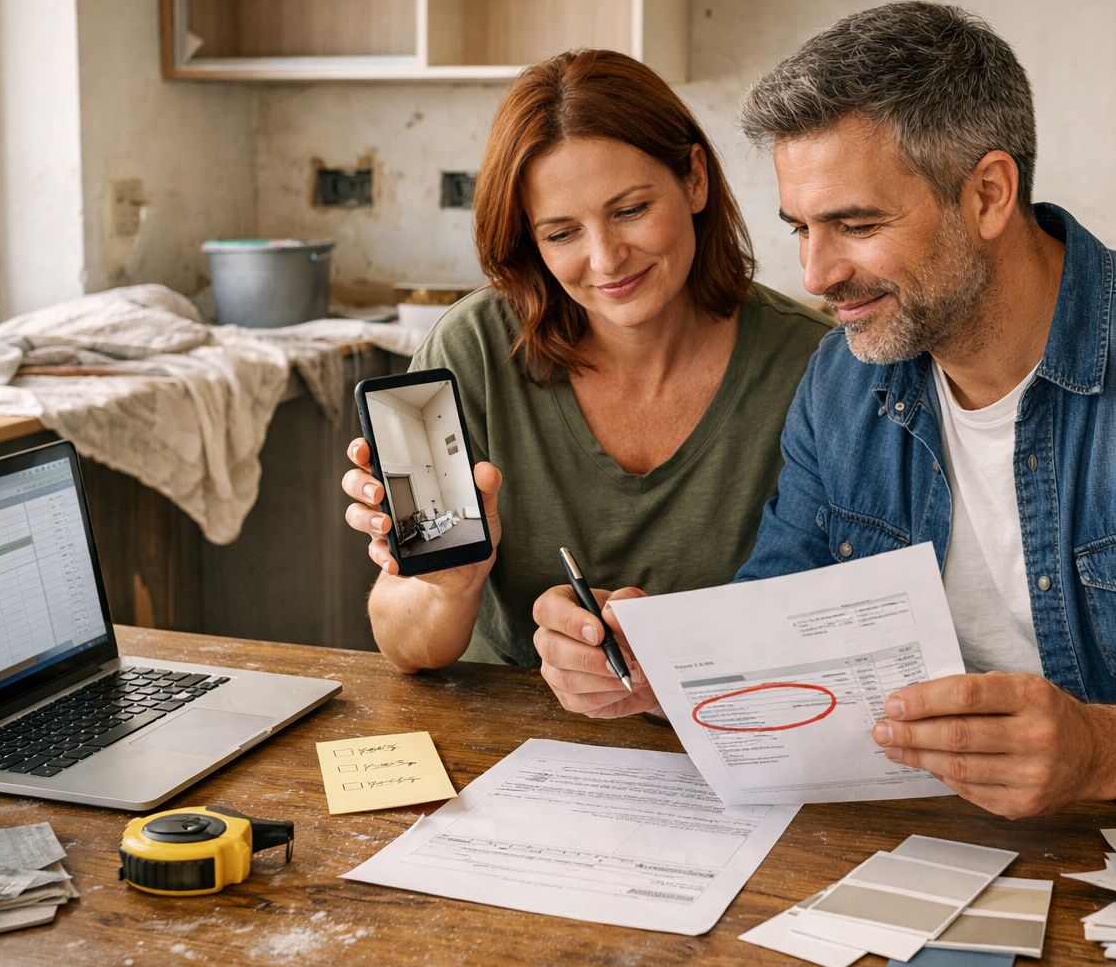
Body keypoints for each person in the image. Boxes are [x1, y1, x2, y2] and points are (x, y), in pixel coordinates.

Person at [534, 2, 1116, 816]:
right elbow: (781, 618)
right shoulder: (844, 381)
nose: (815, 275)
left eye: (856, 224)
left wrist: (1105, 750)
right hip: (914, 848)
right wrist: (666, 669)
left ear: (988, 193)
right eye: (800, 227)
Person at [341, 50, 830, 671]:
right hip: (508, 745)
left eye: (629, 211)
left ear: (695, 179)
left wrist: (679, 667)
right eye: (561, 233)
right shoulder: (471, 349)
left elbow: (839, 627)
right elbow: (408, 647)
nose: (605, 259)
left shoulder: (817, 367)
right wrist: (450, 585)